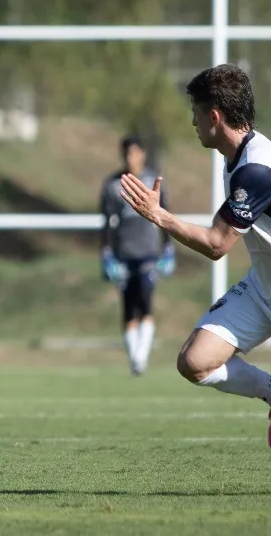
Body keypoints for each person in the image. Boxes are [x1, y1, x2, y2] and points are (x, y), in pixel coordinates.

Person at [118, 63, 271, 496]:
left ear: (214, 116)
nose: (192, 122)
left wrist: (158, 216)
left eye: (195, 112)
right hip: (265, 286)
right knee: (194, 363)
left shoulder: (257, 170)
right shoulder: (238, 158)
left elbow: (216, 244)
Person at [100, 134, 175, 376]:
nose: (130, 158)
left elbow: (165, 215)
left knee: (145, 298)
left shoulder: (153, 180)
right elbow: (107, 223)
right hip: (124, 254)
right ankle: (135, 359)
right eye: (126, 153)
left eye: (134, 152)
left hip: (148, 253)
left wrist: (168, 248)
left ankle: (140, 358)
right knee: (129, 307)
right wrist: (106, 254)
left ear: (142, 153)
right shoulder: (112, 184)